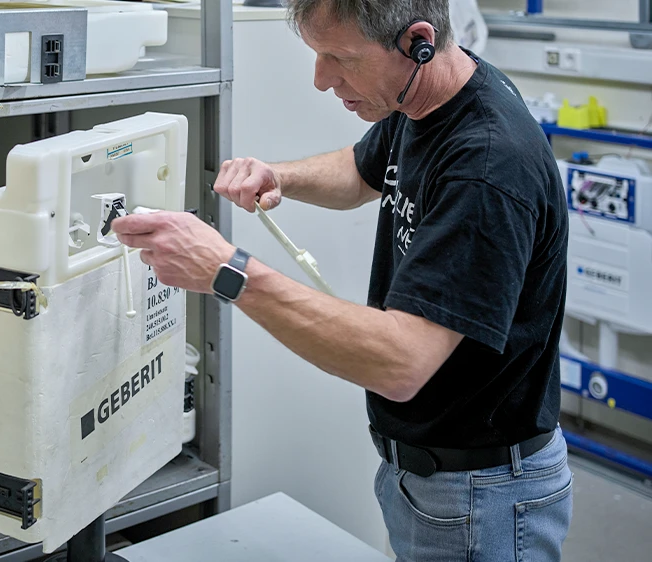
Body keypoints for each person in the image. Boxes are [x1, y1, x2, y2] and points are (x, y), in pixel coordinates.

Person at [111, 0, 572, 560]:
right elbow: (360, 172)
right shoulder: (427, 94)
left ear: (417, 41)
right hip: (426, 473)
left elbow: (401, 362)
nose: (322, 79)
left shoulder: (488, 164)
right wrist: (278, 175)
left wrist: (226, 272)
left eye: (339, 58)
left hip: (481, 494)